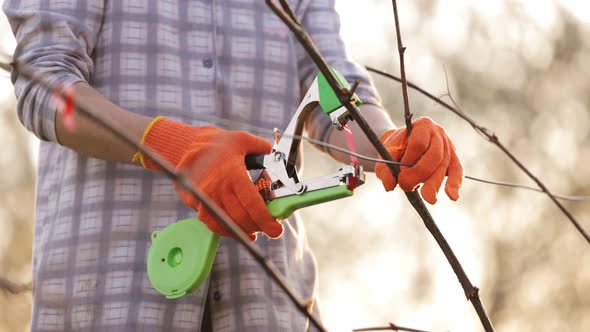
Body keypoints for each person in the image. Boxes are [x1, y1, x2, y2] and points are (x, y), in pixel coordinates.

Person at [3, 0, 463, 331]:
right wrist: (171, 145)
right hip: (107, 303)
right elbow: (43, 84)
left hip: (267, 308)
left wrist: (387, 142)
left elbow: (332, 89)